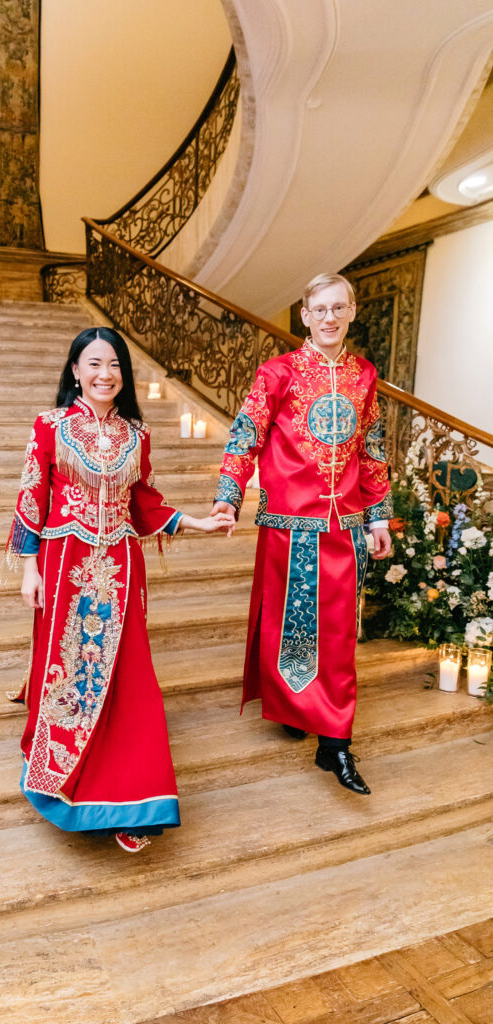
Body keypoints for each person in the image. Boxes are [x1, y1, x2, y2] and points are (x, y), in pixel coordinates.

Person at [5, 327, 232, 852]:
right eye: (94, 364)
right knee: (69, 671)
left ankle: (137, 796)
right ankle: (62, 772)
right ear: (75, 371)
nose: (105, 374)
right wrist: (29, 568)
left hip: (122, 566)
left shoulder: (137, 433)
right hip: (65, 564)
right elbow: (31, 496)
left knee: (128, 675)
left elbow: (144, 500)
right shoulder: (50, 426)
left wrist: (196, 522)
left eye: (114, 365)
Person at [212, 274, 392, 794]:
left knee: (337, 635)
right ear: (305, 316)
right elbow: (245, 434)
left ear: (352, 312)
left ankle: (334, 744)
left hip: (347, 524)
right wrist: (229, 493)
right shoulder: (278, 372)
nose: (330, 317)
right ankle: (296, 706)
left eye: (339, 307)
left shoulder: (364, 376)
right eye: (320, 309)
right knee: (290, 625)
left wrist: (378, 516)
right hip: (289, 524)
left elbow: (372, 446)